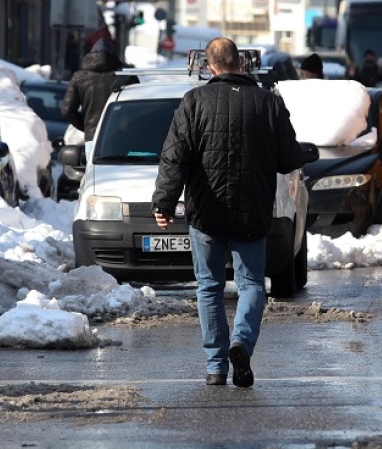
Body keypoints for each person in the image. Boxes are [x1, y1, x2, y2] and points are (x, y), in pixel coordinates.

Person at [152, 37, 310, 388]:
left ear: (210, 67)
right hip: (251, 209)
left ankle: (215, 366)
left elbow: (174, 157)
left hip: (205, 211)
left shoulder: (194, 101)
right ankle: (241, 343)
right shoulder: (268, 103)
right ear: (241, 64)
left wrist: (164, 203)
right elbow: (288, 158)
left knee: (209, 286)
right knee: (251, 283)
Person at [61, 38, 127, 141]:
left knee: (92, 158)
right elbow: (138, 109)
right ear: (113, 55)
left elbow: (67, 111)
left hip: (92, 137)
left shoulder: (79, 77)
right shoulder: (125, 76)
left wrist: (87, 127)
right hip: (120, 136)